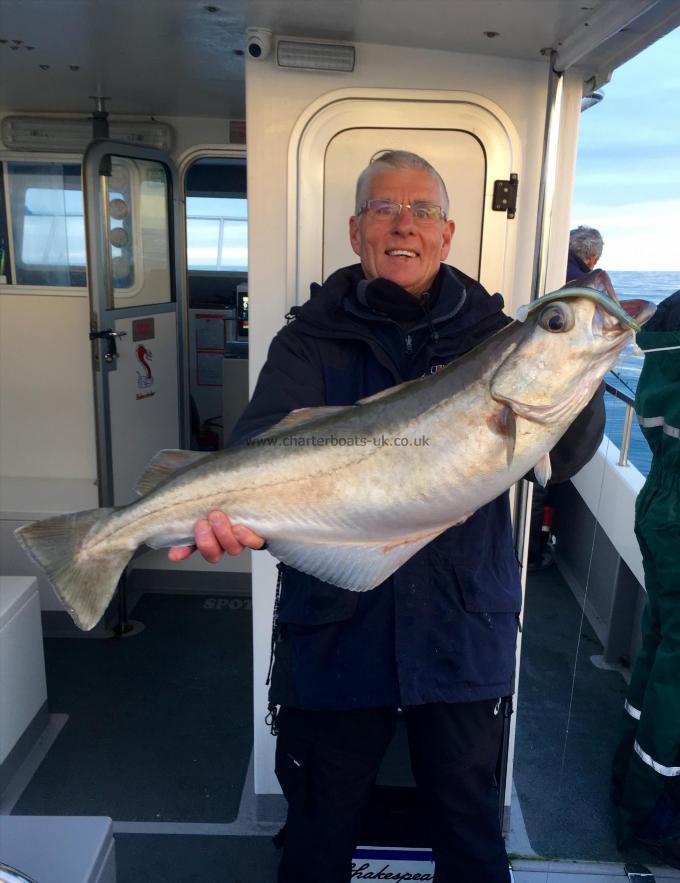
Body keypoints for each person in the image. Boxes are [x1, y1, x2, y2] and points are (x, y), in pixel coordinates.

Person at [170, 150, 605, 883]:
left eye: (423, 212)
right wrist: (222, 514)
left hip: (461, 623)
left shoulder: (493, 338)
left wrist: (580, 376)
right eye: (384, 209)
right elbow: (255, 456)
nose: (404, 224)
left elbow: (557, 460)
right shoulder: (309, 338)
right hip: (339, 628)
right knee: (318, 831)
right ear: (355, 231)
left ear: (447, 234)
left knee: (469, 833)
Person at [611, 290, 680, 869]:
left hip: (663, 499)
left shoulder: (670, 319)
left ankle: (630, 780)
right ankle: (658, 815)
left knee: (663, 646)